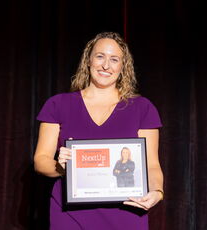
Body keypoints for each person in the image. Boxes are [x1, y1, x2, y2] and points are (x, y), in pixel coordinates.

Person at [34, 31, 164, 230]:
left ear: (123, 66)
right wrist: (62, 168)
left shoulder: (142, 108)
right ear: (88, 60)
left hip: (126, 213)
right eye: (100, 56)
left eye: (114, 59)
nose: (106, 65)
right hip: (70, 214)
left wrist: (157, 191)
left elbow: (152, 165)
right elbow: (41, 160)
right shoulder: (57, 104)